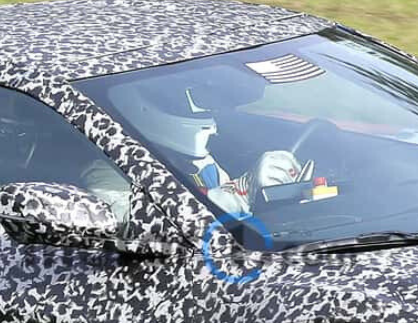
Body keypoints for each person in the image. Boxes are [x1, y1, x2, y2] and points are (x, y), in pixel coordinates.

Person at [104, 74, 306, 219]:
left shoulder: (201, 162)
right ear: (141, 106)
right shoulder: (110, 172)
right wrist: (238, 195)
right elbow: (138, 224)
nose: (206, 111)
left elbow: (233, 214)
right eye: (181, 98)